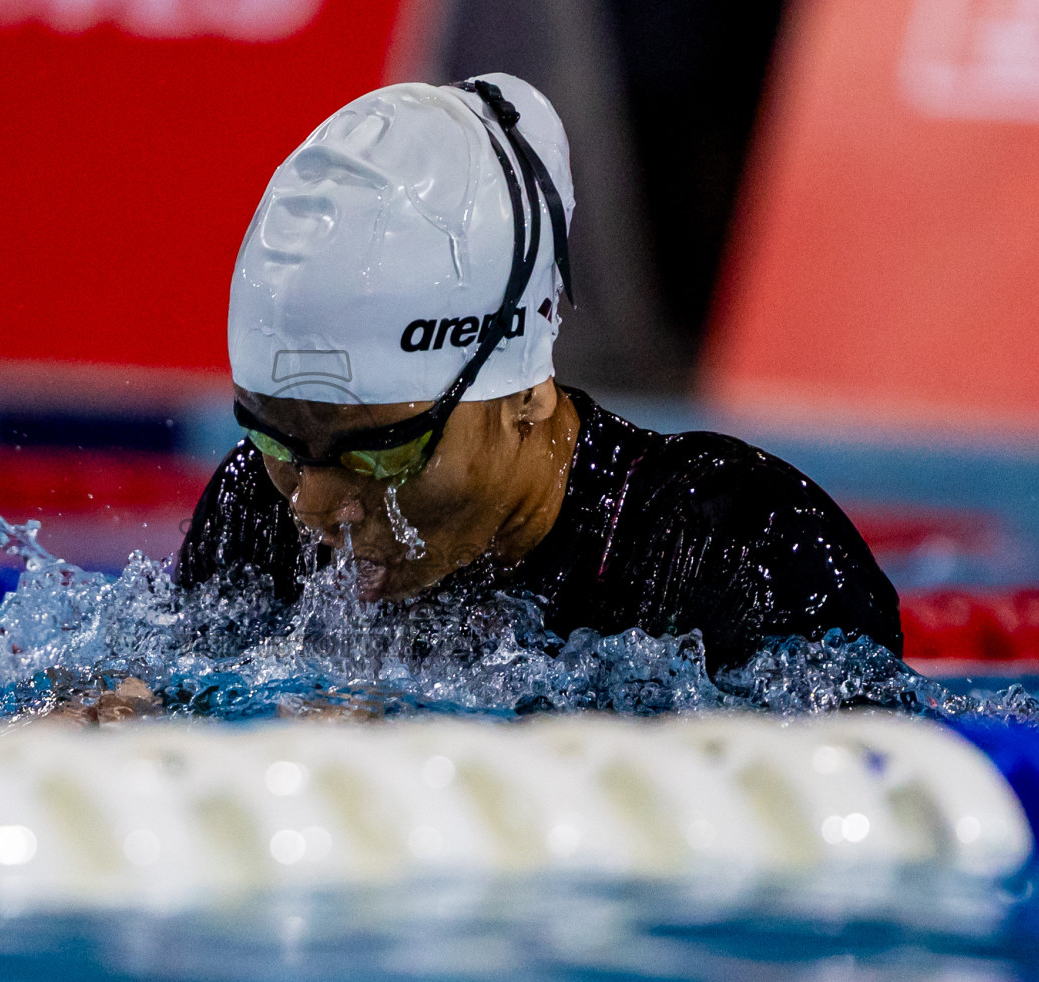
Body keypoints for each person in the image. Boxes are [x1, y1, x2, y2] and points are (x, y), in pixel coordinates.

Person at [175, 74, 901, 676]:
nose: (314, 502)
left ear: (523, 388)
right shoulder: (255, 513)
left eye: (382, 448)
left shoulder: (735, 550)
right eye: (277, 440)